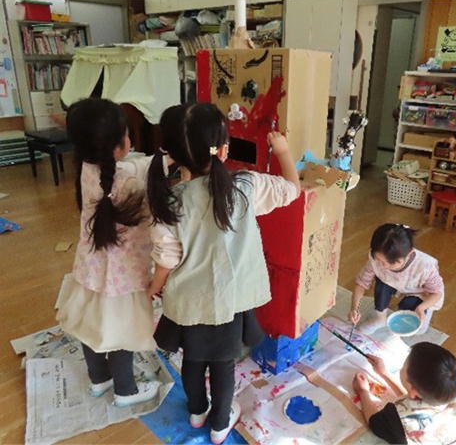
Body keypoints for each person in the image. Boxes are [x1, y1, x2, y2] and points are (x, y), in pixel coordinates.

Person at [147, 103, 300, 444]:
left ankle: (197, 412)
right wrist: (282, 151)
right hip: (231, 302)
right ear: (224, 149)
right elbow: (293, 188)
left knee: (193, 360)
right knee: (223, 365)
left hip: (188, 303)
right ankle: (219, 425)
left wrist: (152, 288)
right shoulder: (245, 186)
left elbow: (166, 261)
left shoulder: (169, 202)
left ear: (173, 155)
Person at [56, 98, 159, 407]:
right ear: (116, 146)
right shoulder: (128, 183)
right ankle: (126, 391)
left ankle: (99, 378)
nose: (130, 138)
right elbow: (155, 214)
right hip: (123, 278)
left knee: (91, 326)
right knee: (120, 333)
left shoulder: (87, 168)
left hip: (90, 270)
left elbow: (133, 167)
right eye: (126, 133)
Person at [352, 342, 456, 444]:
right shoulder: (452, 393)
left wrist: (363, 391)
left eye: (403, 366)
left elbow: (376, 422)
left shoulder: (397, 418)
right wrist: (384, 374)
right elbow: (413, 399)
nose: (401, 368)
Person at [349, 223, 444, 334]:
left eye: (392, 263)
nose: (384, 266)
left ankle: (418, 311)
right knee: (381, 284)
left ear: (410, 253)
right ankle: (380, 319)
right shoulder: (376, 259)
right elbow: (362, 283)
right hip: (394, 283)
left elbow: (437, 293)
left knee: (417, 327)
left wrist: (421, 308)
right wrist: (354, 308)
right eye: (380, 261)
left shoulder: (425, 266)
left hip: (420, 293)